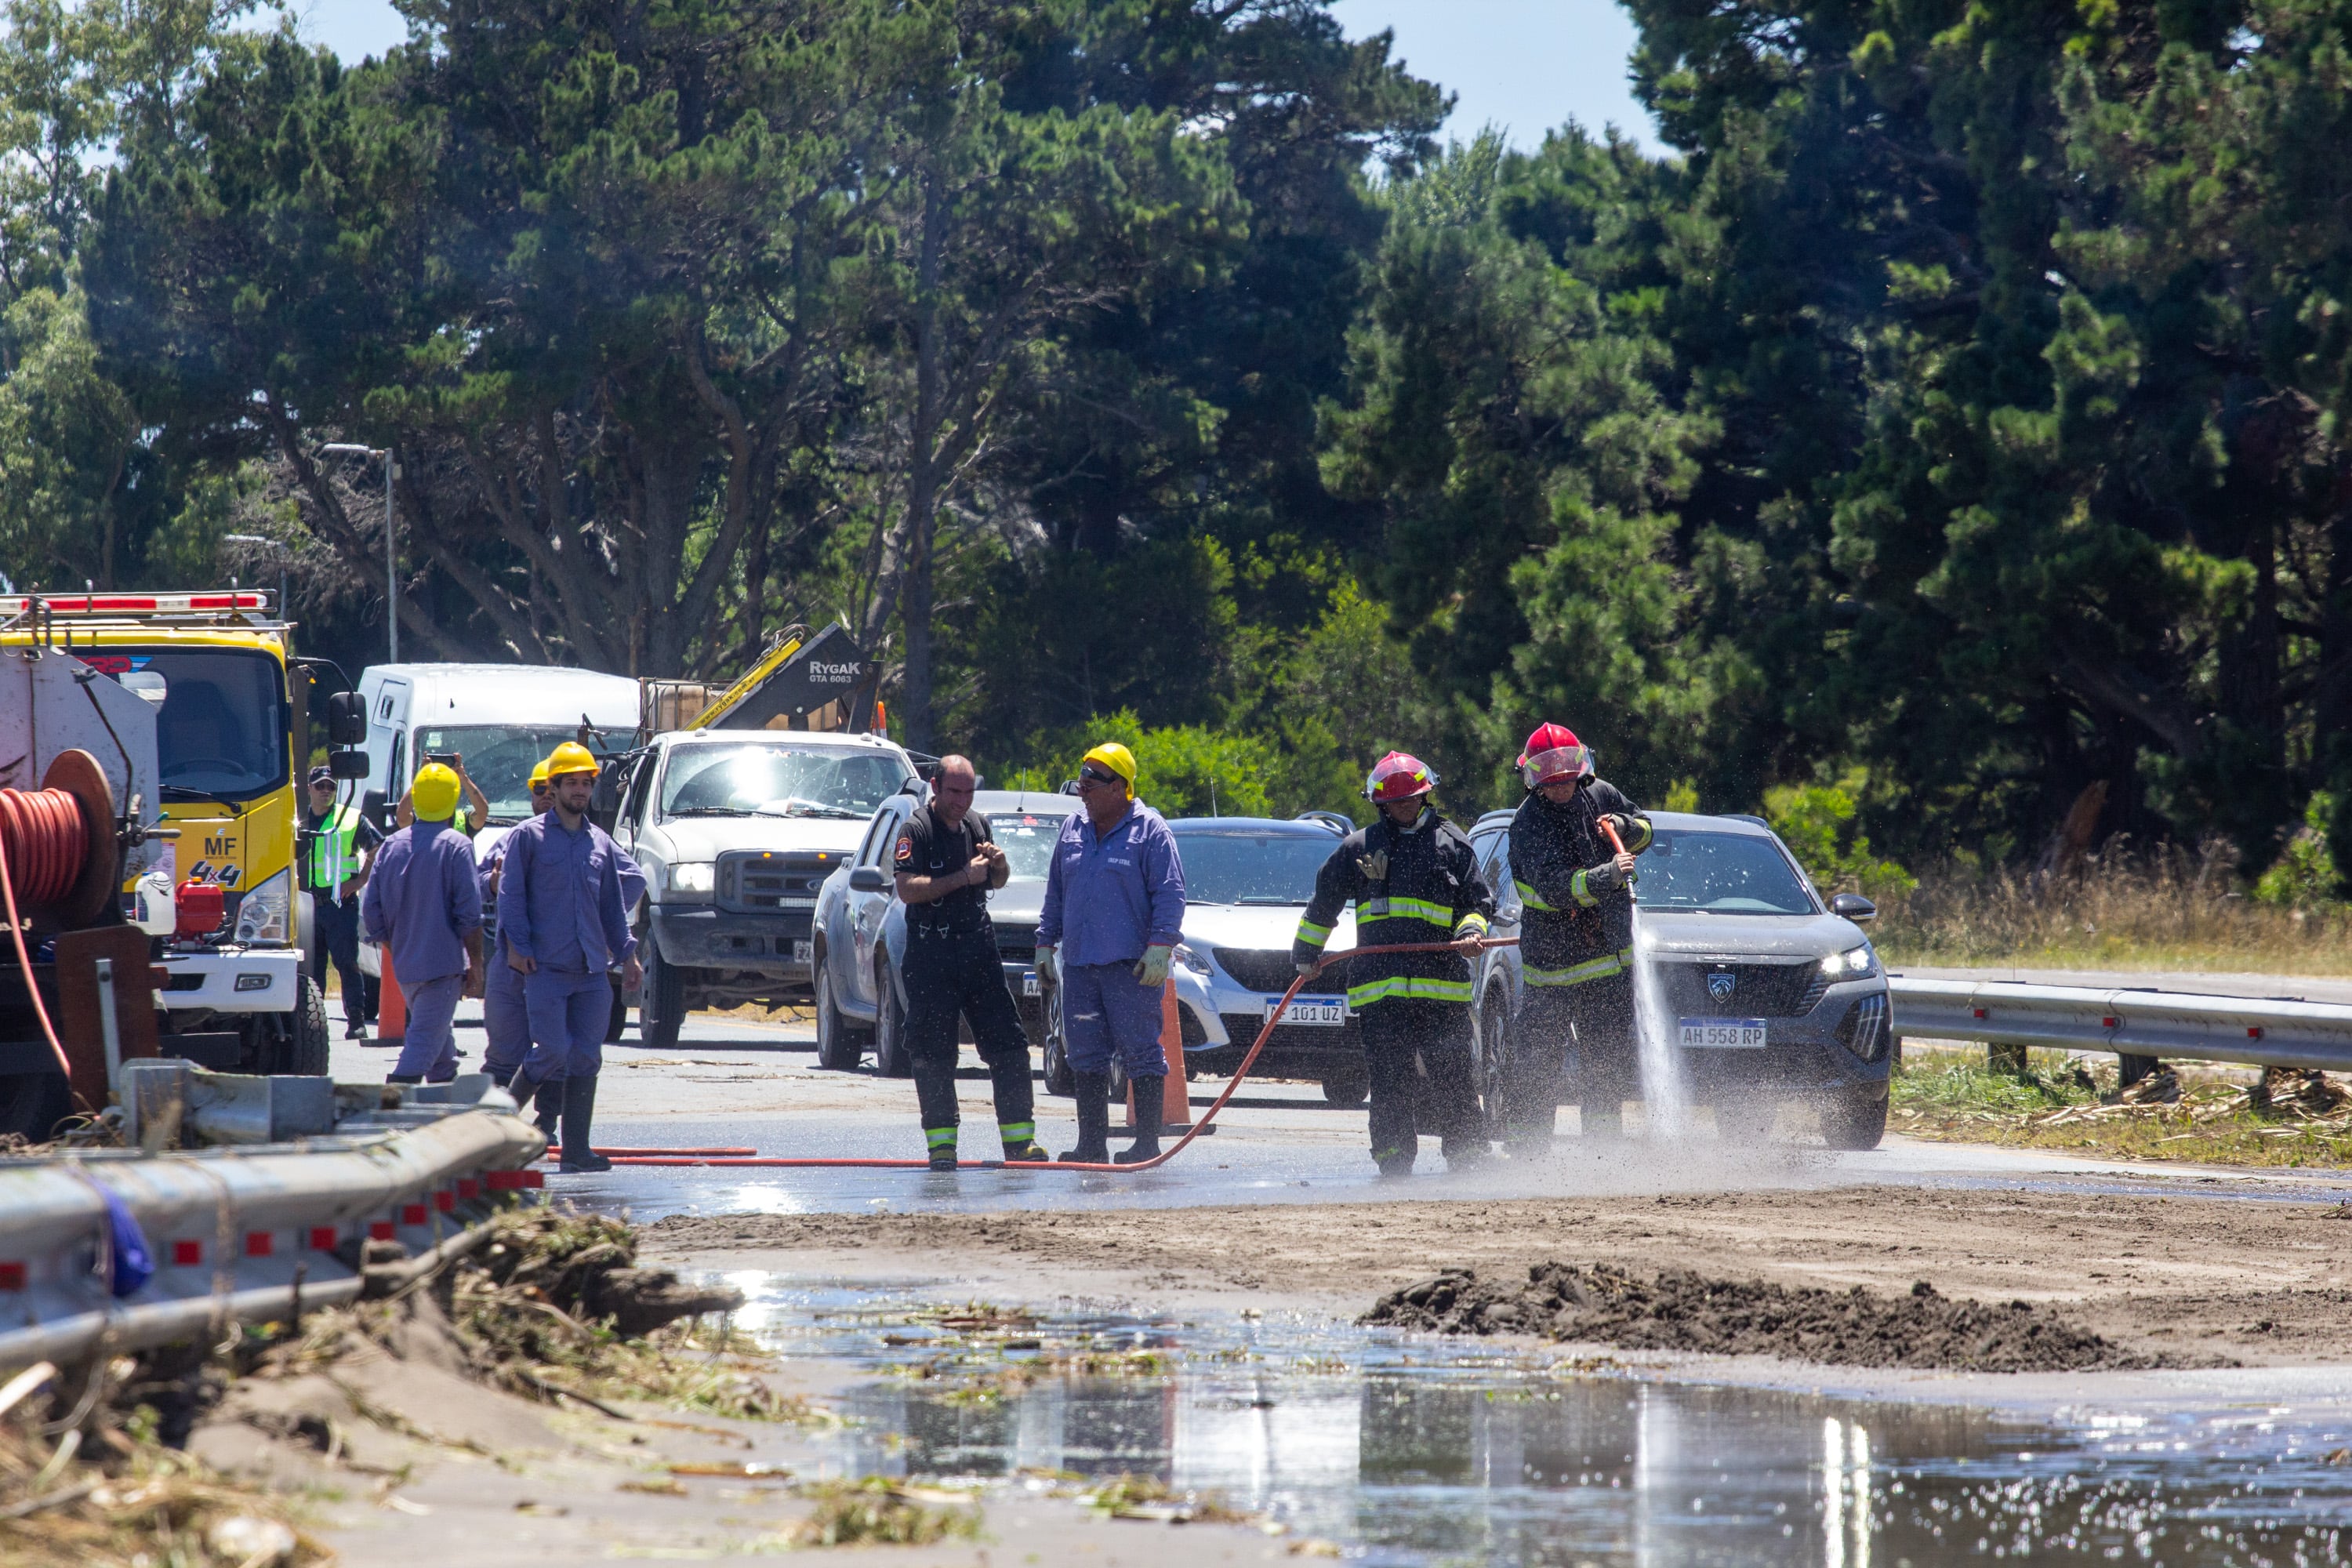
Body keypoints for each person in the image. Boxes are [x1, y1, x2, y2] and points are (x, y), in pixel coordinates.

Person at [1292, 753, 1495, 1177]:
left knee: (1454, 1079)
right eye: (1396, 802)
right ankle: (1393, 1163)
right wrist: (1306, 954)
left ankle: (1469, 1160)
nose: (1405, 807)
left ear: (1425, 796)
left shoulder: (1452, 845)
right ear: (1380, 804)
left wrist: (1471, 932)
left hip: (1441, 990)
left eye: (1413, 799)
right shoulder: (1359, 848)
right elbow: (1324, 904)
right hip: (1381, 992)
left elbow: (1477, 904)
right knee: (1389, 1084)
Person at [893, 756, 1048, 1171]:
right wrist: (963, 876)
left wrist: (998, 867)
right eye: (954, 792)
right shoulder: (916, 831)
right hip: (932, 954)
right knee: (933, 1052)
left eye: (968, 793)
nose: (962, 802)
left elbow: (996, 880)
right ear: (935, 786)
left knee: (1010, 1045)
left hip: (978, 950)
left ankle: (1020, 1143)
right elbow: (907, 889)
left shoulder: (978, 825)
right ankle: (942, 1147)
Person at [1035, 742, 1187, 1164]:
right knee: (1085, 1054)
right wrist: (1045, 943)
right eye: (1081, 778)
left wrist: (1161, 947)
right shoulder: (1072, 829)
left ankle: (1146, 1144)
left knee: (1141, 1051)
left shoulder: (1150, 831)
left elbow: (1171, 894)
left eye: (1092, 781)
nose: (1082, 789)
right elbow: (1056, 893)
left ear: (1120, 787)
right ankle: (1091, 1146)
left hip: (1131, 968)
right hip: (1081, 965)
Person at [1503, 722, 1652, 1147]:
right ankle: (1528, 1152)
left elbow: (1646, 828)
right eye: (1550, 777)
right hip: (1552, 972)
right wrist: (1607, 875)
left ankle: (1603, 1155)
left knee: (1606, 1065)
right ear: (1534, 779)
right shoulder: (1528, 823)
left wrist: (1623, 826)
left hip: (1608, 966)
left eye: (1565, 772)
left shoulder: (1601, 795)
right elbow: (1551, 889)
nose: (1560, 784)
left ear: (1579, 768)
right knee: (1538, 1065)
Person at [499, 742, 641, 1173]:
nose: (580, 791)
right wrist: (518, 947)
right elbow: (511, 895)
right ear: (554, 787)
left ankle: (577, 1153)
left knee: (587, 1057)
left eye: (585, 783)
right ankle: (497, 1126)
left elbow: (613, 907)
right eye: (571, 783)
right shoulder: (529, 837)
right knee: (553, 1050)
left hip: (592, 973)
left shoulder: (599, 841)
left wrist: (628, 956)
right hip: (546, 969)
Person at [361, 763, 485, 1085]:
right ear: (453, 801)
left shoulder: (391, 845)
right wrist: (477, 964)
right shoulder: (458, 845)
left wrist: (396, 944)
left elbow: (370, 911)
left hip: (406, 968)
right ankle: (390, 1115)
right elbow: (469, 914)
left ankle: (441, 1117)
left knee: (440, 1054)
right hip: (442, 969)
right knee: (418, 1051)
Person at [481, 757, 556, 1128]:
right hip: (508, 961)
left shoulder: (586, 840)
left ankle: (548, 1125)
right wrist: (492, 885)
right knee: (503, 1048)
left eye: (549, 789)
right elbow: (477, 882)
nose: (544, 797)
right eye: (538, 790)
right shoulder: (511, 838)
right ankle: (495, 1127)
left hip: (556, 962)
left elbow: (627, 881)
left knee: (556, 1049)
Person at [300, 764, 381, 1039]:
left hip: (339, 905)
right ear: (309, 788)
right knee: (311, 968)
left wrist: (359, 882)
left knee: (347, 963)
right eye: (320, 786)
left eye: (331, 787)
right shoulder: (296, 819)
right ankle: (314, 1026)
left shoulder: (350, 818)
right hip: (306, 905)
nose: (325, 791)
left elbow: (377, 847)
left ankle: (356, 1022)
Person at [396, 751, 492, 836]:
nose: (439, 796)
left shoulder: (463, 822)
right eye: (432, 792)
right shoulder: (419, 822)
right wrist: (423, 776)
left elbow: (482, 813)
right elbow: (402, 817)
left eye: (445, 792)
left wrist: (463, 778)